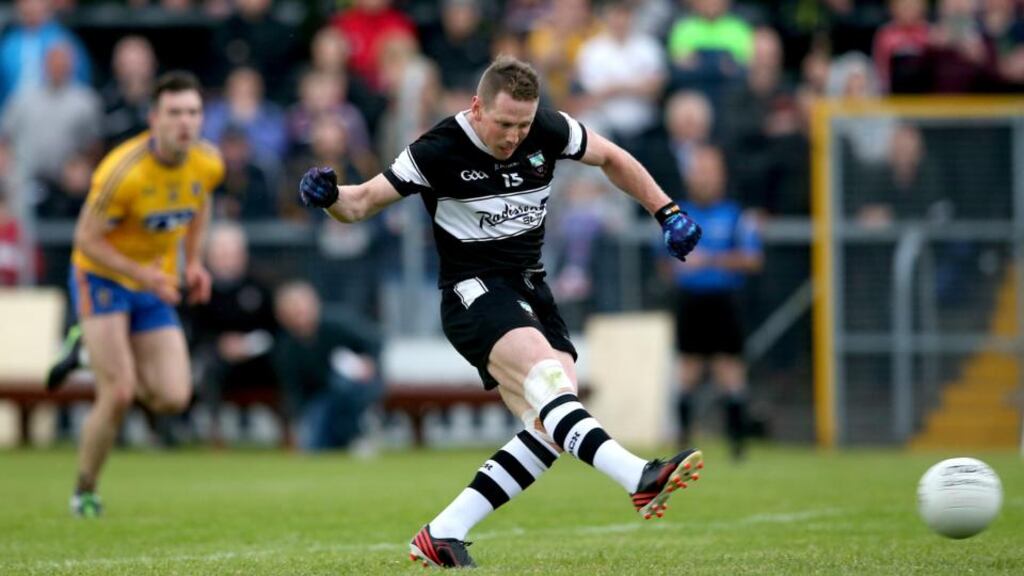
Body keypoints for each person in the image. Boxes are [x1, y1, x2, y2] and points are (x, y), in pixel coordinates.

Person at [299, 56, 703, 568]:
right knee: (550, 384)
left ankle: (444, 533)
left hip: (532, 289)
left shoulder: (548, 129)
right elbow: (361, 203)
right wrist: (331, 195)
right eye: (504, 123)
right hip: (473, 292)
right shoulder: (438, 149)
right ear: (477, 107)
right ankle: (638, 477)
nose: (514, 136)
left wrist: (666, 211)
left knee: (550, 425)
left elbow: (612, 158)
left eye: (523, 125)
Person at [45, 71, 225, 517]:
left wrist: (195, 261)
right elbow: (86, 240)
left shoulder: (207, 161)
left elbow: (200, 201)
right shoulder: (120, 172)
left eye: (193, 112)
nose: (186, 122)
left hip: (155, 280)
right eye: (175, 113)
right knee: (120, 392)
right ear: (154, 119)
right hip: (103, 277)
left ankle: (88, 351)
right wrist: (141, 274)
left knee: (173, 397)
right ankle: (84, 491)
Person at [663, 145, 762, 461]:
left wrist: (710, 261)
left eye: (710, 172)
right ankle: (683, 442)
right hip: (690, 301)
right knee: (687, 372)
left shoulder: (736, 215)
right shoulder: (676, 214)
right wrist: (679, 266)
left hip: (724, 301)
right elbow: (664, 263)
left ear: (721, 176)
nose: (704, 178)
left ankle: (737, 445)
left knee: (729, 371)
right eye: (699, 172)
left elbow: (752, 259)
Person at [271, 280, 382, 451]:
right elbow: (293, 389)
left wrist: (369, 361)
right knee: (315, 444)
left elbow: (375, 340)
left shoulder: (337, 323)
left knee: (343, 388)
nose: (299, 313)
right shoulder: (286, 347)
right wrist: (297, 422)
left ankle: (358, 435)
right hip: (321, 398)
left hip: (356, 386)